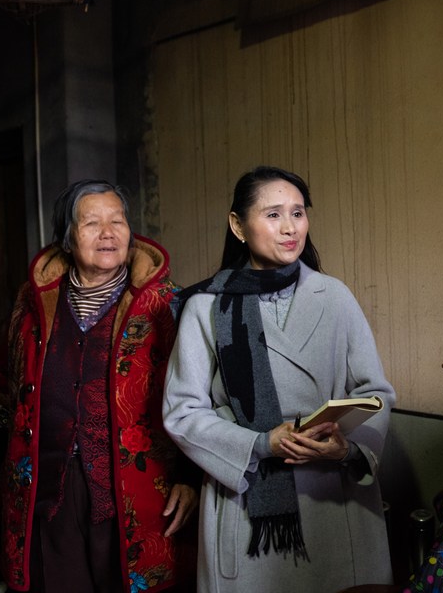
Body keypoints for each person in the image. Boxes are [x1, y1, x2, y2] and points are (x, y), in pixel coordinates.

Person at [0, 179, 199, 593]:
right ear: (67, 239)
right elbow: (0, 393)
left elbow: (198, 398)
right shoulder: (32, 304)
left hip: (139, 489)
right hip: (47, 488)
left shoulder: (167, 303)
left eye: (117, 221)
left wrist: (190, 478)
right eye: (91, 223)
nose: (108, 233)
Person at [163, 166, 395, 592]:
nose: (291, 228)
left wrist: (347, 449)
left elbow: (375, 391)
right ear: (238, 226)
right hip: (246, 493)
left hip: (332, 493)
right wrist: (261, 444)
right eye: (273, 215)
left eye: (298, 213)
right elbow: (182, 412)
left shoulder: (335, 296)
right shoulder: (206, 307)